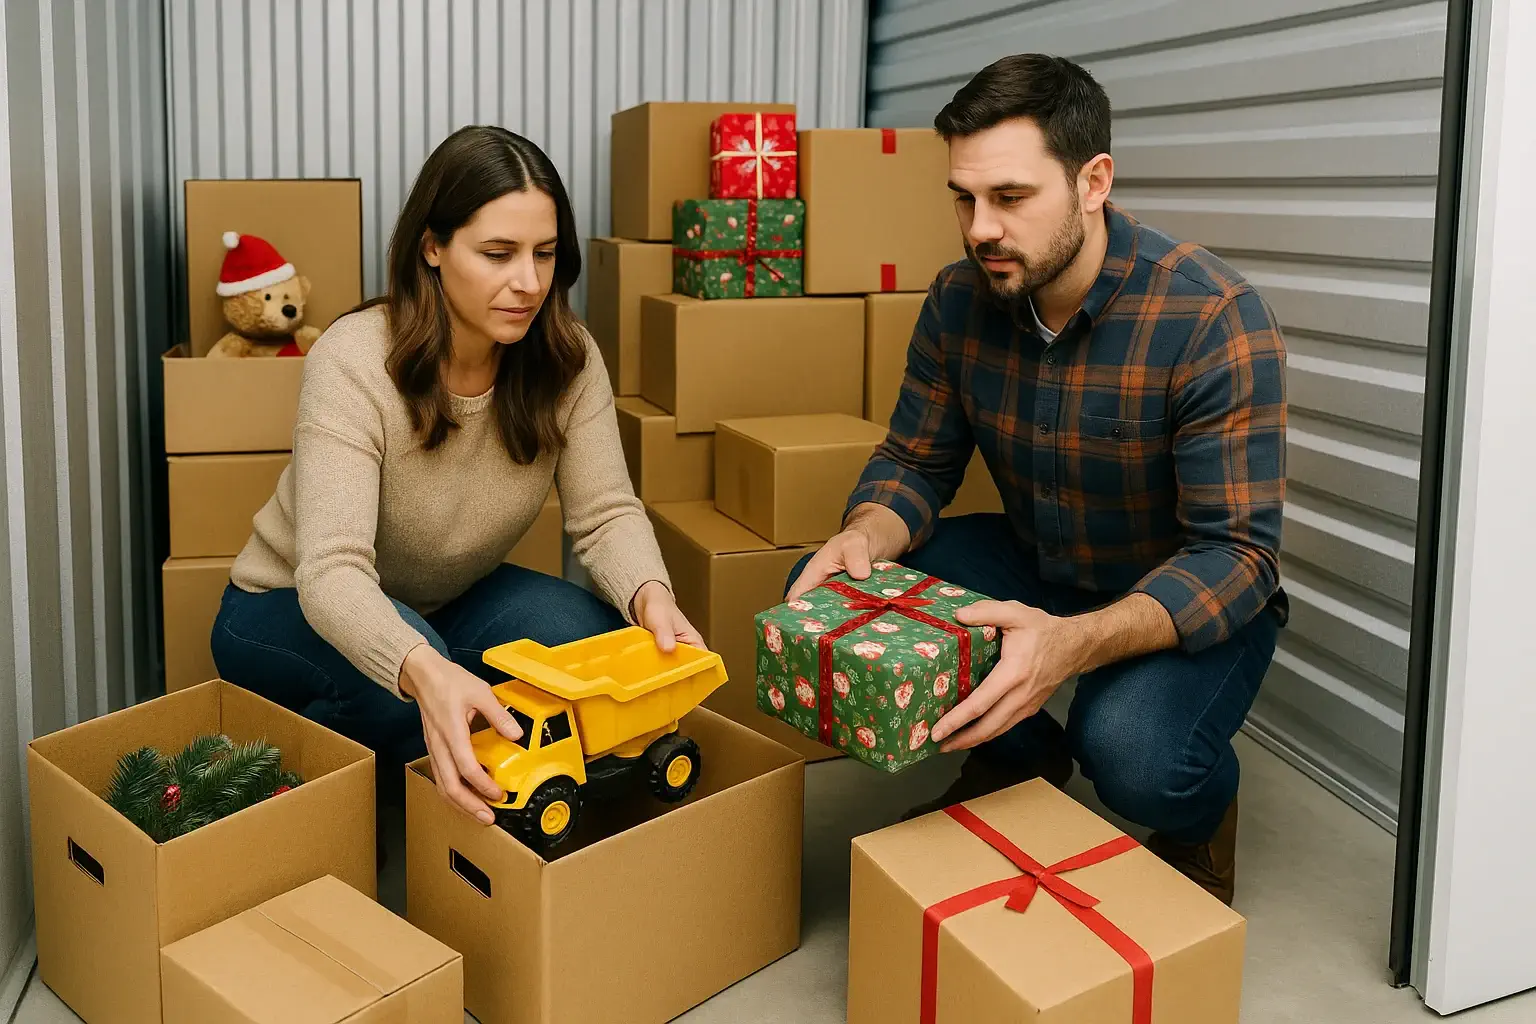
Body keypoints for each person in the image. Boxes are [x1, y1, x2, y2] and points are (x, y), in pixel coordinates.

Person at [786, 54, 1287, 906]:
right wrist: (862, 535)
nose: (980, 228)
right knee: (835, 598)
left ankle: (1200, 819)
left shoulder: (1210, 317)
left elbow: (1237, 555)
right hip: (1036, 561)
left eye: (1011, 197)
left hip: (1175, 592)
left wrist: (1072, 644)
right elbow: (916, 461)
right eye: (964, 198)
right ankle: (1020, 756)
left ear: (1094, 182)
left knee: (1130, 751)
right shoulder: (959, 299)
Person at [213, 125, 702, 826]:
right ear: (433, 247)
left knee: (591, 642)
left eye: (544, 254)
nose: (528, 283)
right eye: (497, 254)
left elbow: (605, 513)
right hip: (285, 601)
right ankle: (324, 774)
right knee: (406, 685)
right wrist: (422, 667)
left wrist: (652, 596)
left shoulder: (567, 358)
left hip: (446, 599)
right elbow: (332, 572)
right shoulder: (355, 360)